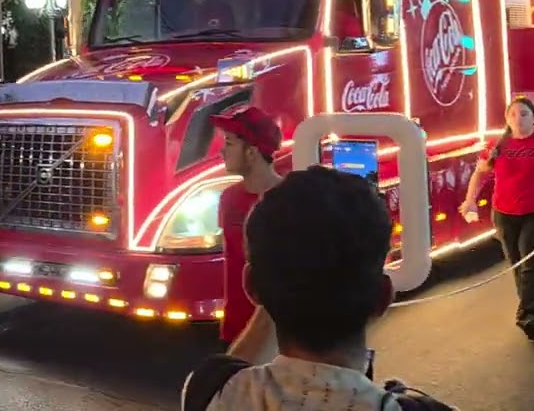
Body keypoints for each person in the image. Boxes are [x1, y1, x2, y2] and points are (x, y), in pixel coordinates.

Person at [181, 166, 456, 411]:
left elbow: (224, 371)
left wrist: (274, 283)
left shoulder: (208, 392)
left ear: (251, 288)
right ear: (383, 297)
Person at [460, 97, 534, 341]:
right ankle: (530, 312)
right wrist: (470, 200)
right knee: (518, 265)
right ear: (506, 119)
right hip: (505, 214)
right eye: (513, 114)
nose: (518, 118)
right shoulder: (497, 145)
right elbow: (479, 175)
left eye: (524, 114)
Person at [211, 103, 284, 349]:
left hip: (276, 336)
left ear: (252, 152)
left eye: (229, 143)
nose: (222, 152)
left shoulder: (289, 199)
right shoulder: (228, 198)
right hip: (233, 331)